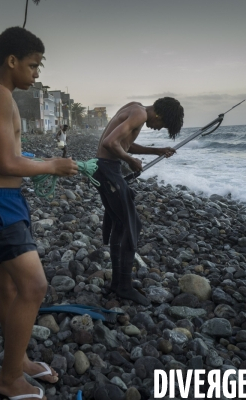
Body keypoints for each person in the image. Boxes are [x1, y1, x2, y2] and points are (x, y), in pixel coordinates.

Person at [0, 27, 78, 400]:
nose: (36, 73)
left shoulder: (1, 95)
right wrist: (52, 167)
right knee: (35, 285)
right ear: (11, 61)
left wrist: (45, 161)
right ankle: (9, 378)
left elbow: (11, 158)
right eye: (33, 65)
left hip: (1, 200)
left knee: (10, 286)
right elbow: (6, 162)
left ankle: (19, 360)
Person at [93, 97, 183, 306]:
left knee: (120, 224)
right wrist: (130, 161)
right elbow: (110, 143)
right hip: (108, 169)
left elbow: (125, 144)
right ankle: (124, 286)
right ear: (159, 115)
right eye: (164, 125)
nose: (159, 129)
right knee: (131, 225)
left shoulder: (135, 108)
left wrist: (156, 150)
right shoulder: (140, 114)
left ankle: (117, 284)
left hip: (105, 168)